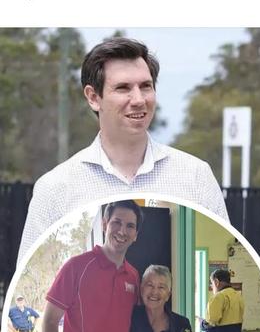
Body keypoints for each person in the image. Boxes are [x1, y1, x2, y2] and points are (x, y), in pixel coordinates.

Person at [18, 37, 229, 262]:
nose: (138, 99)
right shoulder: (55, 189)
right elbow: (25, 287)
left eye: (145, 86)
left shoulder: (197, 176)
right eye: (123, 88)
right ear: (93, 97)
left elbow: (226, 256)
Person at [42, 200, 143, 332]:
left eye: (130, 226)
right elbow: (50, 321)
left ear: (135, 235)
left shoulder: (133, 276)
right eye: (116, 222)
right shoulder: (75, 267)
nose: (122, 231)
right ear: (105, 224)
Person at [130, 265, 192, 332]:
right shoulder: (130, 317)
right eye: (150, 285)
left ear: (168, 295)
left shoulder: (182, 324)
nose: (154, 292)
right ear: (141, 289)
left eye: (161, 287)